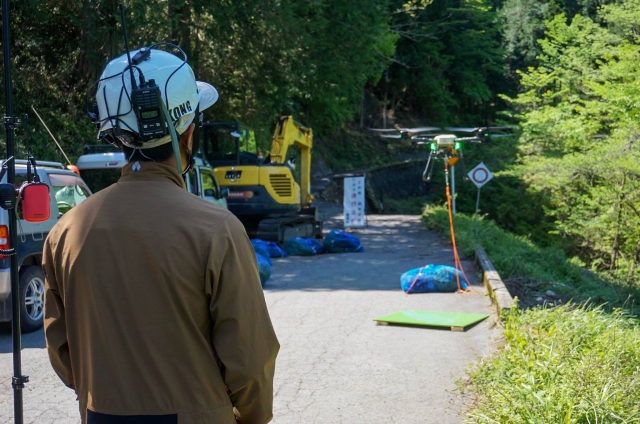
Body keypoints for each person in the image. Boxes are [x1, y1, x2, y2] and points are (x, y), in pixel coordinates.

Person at [43, 46, 279, 424]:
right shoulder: (217, 230)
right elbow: (250, 361)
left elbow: (61, 347)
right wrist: (250, 416)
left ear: (116, 136)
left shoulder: (65, 232)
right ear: (186, 131)